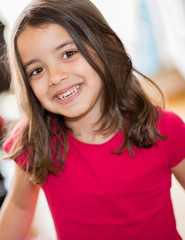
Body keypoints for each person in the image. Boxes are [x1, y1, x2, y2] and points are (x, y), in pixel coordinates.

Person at [0, 0, 185, 239]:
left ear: (104, 46)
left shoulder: (164, 128)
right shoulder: (34, 139)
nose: (55, 77)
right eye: (37, 70)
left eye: (68, 54)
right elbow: (19, 207)